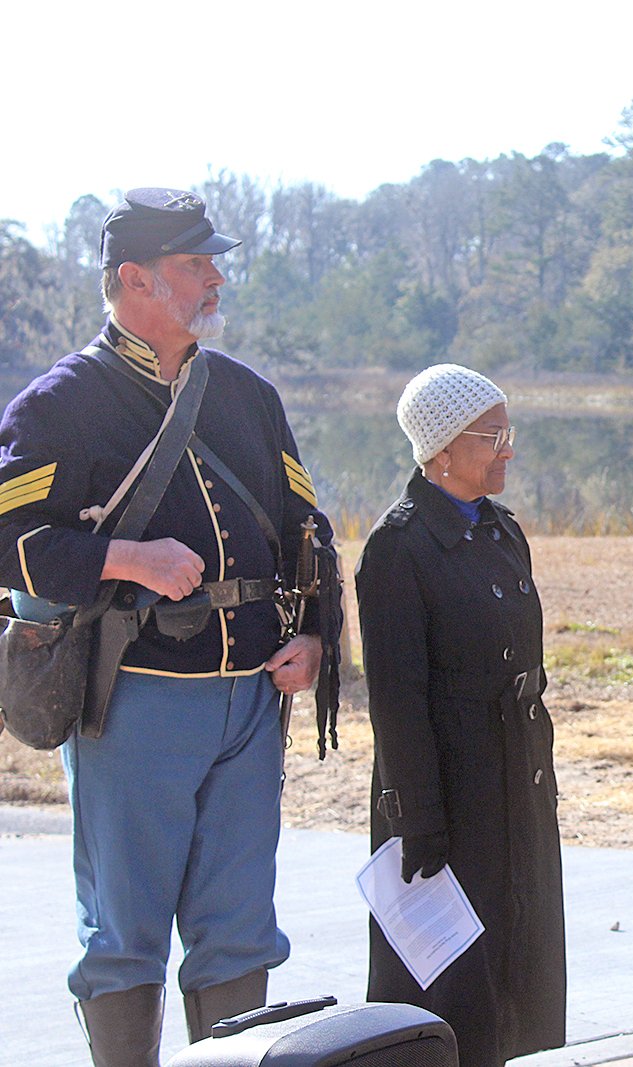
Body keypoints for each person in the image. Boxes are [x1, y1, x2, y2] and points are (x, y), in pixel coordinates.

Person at [0, 188, 338, 1064]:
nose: (215, 278)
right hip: (134, 698)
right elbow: (7, 541)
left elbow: (308, 529)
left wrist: (319, 639)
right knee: (125, 934)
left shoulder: (249, 396)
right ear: (134, 280)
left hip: (252, 698)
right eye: (197, 263)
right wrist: (124, 557)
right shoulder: (59, 404)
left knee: (241, 931)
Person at [357, 364, 566, 1067]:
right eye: (493, 434)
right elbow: (395, 698)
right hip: (446, 792)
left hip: (515, 778)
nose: (509, 447)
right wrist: (418, 818)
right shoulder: (398, 547)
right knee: (446, 979)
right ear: (442, 448)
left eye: (509, 431)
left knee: (516, 958)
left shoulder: (502, 530)